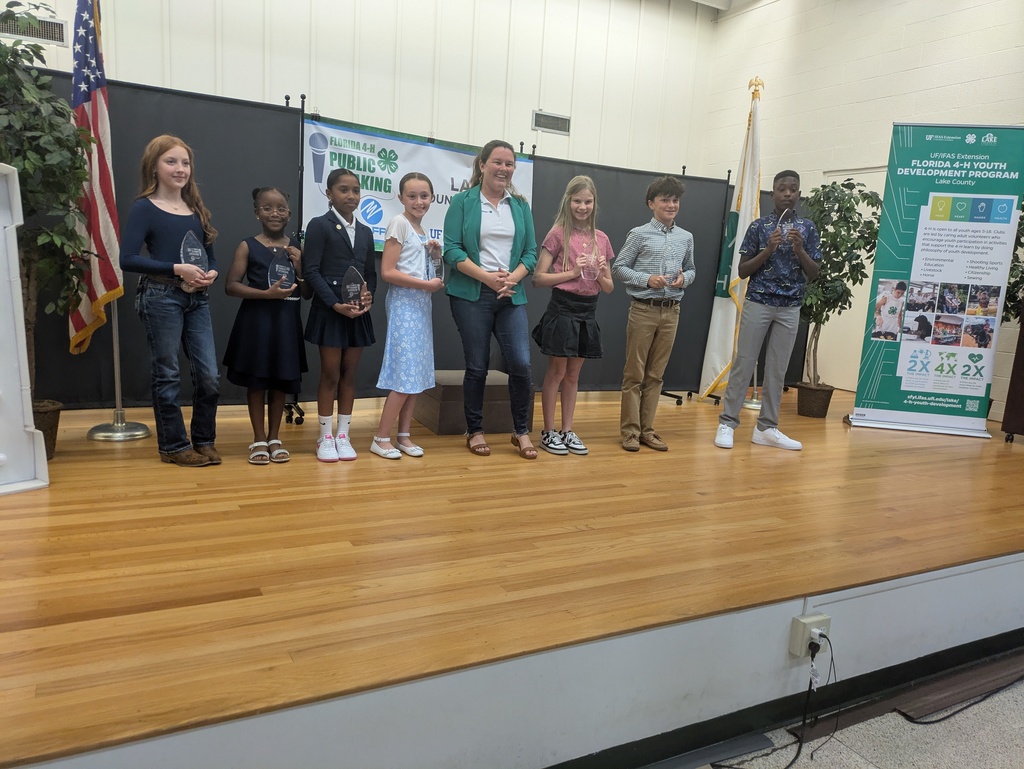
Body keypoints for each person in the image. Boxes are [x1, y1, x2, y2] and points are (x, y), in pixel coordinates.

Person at [120, 134, 221, 467]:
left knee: (209, 376)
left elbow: (210, 257)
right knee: (168, 374)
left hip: (197, 298)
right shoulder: (144, 208)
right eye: (171, 161)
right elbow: (128, 259)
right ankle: (174, 446)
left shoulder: (195, 211)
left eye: (185, 162)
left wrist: (211, 274)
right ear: (154, 167)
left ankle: (204, 439)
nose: (180, 169)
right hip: (160, 296)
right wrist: (176, 268)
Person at [443, 139, 539, 460]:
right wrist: (486, 277)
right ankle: (475, 429)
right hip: (472, 294)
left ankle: (521, 431)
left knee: (522, 365)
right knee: (477, 365)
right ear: (482, 165)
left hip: (511, 294)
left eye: (509, 164)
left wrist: (512, 278)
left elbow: (531, 252)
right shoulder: (462, 202)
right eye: (497, 162)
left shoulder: (520, 206)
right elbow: (452, 249)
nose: (503, 168)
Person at [714, 170, 821, 452]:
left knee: (777, 368)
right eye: (782, 189)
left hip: (790, 307)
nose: (787, 193)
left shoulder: (807, 229)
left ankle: (767, 428)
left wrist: (799, 250)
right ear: (772, 193)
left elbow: (814, 273)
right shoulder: (759, 227)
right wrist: (768, 250)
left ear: (799, 194)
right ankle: (727, 422)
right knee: (744, 362)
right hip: (759, 301)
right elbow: (743, 270)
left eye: (793, 189)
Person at [222, 187, 310, 465]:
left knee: (281, 379)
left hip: (286, 324)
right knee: (257, 380)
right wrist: (266, 295)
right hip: (256, 324)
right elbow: (231, 286)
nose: (275, 213)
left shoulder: (296, 248)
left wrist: (300, 268)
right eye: (268, 208)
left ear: (289, 214)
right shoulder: (247, 245)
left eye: (281, 208)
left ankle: (275, 437)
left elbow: (307, 293)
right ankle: (258, 438)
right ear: (257, 212)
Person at [611, 175, 695, 452]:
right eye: (665, 200)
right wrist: (647, 279)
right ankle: (630, 432)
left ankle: (648, 429)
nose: (671, 205)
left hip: (672, 311)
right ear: (651, 204)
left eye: (675, 200)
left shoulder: (686, 237)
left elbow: (691, 269)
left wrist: (686, 279)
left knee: (656, 375)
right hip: (643, 310)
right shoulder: (638, 234)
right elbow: (619, 268)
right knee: (634, 373)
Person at [531, 175, 614, 456]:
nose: (582, 206)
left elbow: (610, 287)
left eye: (587, 201)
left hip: (587, 311)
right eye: (577, 201)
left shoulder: (601, 239)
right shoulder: (557, 233)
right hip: (562, 307)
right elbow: (538, 278)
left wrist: (602, 274)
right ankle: (548, 431)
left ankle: (567, 430)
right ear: (568, 201)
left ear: (594, 203)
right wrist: (572, 272)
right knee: (556, 371)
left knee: (574, 374)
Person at [303, 168, 376, 462]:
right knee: (331, 374)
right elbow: (311, 271)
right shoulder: (319, 226)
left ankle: (344, 434)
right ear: (329, 193)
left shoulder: (367, 232)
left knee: (349, 374)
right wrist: (334, 303)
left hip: (358, 314)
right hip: (331, 311)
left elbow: (370, 273)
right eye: (344, 190)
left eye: (356, 190)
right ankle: (325, 435)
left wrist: (369, 298)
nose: (351, 195)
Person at [370, 173, 445, 460]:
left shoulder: (421, 230)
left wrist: (435, 257)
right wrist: (426, 285)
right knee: (404, 374)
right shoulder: (399, 223)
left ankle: (403, 435)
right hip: (405, 304)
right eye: (412, 196)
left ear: (432, 198)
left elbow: (426, 271)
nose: (418, 201)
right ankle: (381, 437)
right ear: (400, 198)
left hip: (421, 306)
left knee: (416, 373)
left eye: (424, 195)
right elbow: (388, 272)